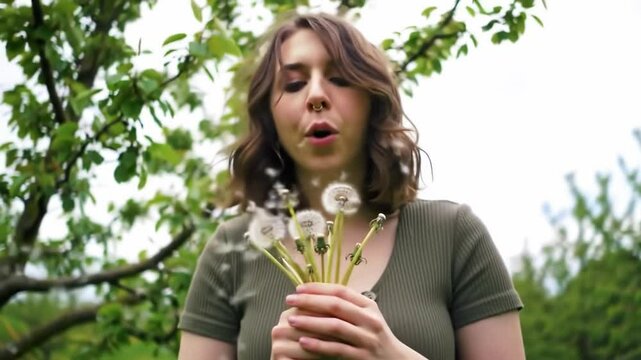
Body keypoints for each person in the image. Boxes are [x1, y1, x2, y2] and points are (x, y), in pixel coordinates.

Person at [177, 12, 525, 360]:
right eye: (294, 84)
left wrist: (390, 356)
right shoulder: (233, 249)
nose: (316, 95)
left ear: (372, 100)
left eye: (340, 79)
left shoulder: (453, 236)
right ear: (269, 116)